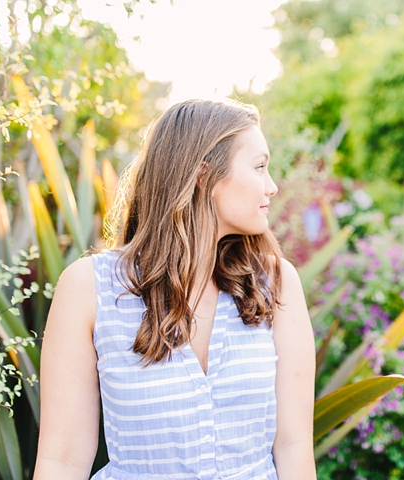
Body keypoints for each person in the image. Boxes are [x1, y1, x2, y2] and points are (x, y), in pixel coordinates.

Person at [33, 99, 317, 479]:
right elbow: (62, 461)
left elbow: (293, 447)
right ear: (203, 174)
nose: (272, 185)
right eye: (259, 167)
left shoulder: (277, 283)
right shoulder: (88, 288)